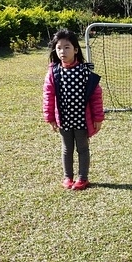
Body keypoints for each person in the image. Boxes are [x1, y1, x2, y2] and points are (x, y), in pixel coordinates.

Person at [43, 29, 104, 190]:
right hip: (64, 120)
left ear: (76, 49)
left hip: (82, 120)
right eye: (59, 48)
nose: (62, 51)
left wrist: (98, 117)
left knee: (82, 149)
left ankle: (82, 178)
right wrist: (50, 118)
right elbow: (48, 96)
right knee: (66, 149)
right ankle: (68, 177)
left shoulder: (85, 71)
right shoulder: (53, 72)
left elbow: (96, 95)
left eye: (67, 47)